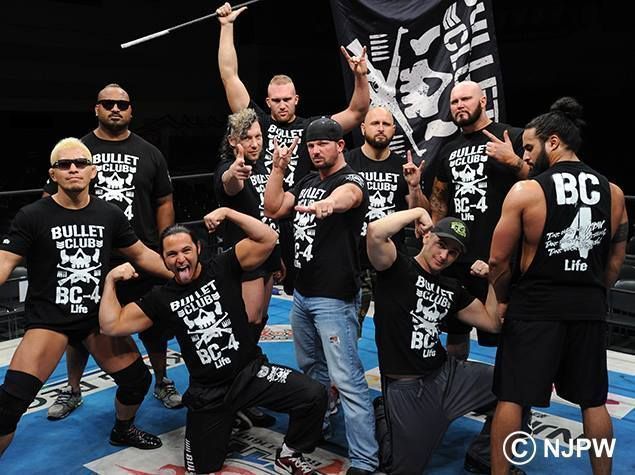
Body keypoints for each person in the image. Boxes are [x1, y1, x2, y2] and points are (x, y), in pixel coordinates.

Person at [98, 210, 328, 475]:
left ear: (198, 248)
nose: (180, 259)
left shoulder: (221, 267)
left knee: (312, 395)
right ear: (163, 259)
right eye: (171, 255)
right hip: (208, 393)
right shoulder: (161, 298)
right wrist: (110, 280)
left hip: (250, 374)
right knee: (202, 469)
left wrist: (228, 212)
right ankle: (230, 416)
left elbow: (267, 237)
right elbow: (111, 325)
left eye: (186, 250)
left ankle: (289, 454)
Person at [0, 137, 173, 456]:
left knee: (136, 382)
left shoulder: (109, 214)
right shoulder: (32, 215)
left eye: (80, 163)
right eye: (64, 165)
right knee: (9, 403)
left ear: (94, 171)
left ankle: (123, 430)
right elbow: (4, 263)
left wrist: (186, 274)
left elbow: (141, 255)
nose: (73, 169)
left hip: (96, 318)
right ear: (53, 175)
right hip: (49, 321)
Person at [488, 97, 628, 475]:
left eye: (529, 147)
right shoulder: (613, 192)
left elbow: (499, 260)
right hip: (588, 307)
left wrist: (500, 301)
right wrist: (594, 292)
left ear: (553, 142)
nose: (526, 157)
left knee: (512, 397)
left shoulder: (527, 191)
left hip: (535, 307)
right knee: (594, 401)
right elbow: (615, 260)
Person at [44, 83, 181, 420]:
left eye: (122, 104)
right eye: (108, 103)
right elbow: (51, 200)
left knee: (153, 322)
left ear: (131, 110)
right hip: (90, 258)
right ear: (97, 109)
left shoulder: (150, 152)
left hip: (140, 254)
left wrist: (163, 245)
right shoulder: (78, 151)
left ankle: (162, 379)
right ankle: (73, 388)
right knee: (79, 328)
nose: (115, 109)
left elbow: (163, 199)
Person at [216, 1, 370, 297]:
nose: (282, 104)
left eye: (287, 99)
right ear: (268, 100)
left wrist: (360, 76)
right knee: (254, 308)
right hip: (260, 218)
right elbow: (229, 75)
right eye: (276, 100)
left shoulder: (314, 129)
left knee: (302, 295)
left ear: (296, 99)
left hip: (298, 217)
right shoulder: (256, 121)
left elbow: (357, 111)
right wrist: (226, 27)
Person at [264, 117, 378, 475]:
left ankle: (364, 458)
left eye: (322, 144)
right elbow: (273, 208)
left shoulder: (351, 180)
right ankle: (320, 425)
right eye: (311, 145)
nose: (315, 151)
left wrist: (330, 205)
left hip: (334, 297)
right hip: (301, 294)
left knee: (346, 378)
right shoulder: (308, 180)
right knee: (311, 370)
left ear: (340, 146)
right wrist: (279, 169)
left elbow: (350, 197)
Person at [366, 208, 507, 474]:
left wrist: (492, 279)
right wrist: (419, 211)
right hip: (406, 387)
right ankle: (384, 415)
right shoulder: (397, 267)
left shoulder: (451, 287)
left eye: (453, 252)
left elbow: (492, 322)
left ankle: (483, 457)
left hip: (447, 375)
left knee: (513, 389)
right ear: (427, 237)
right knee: (401, 469)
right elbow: (375, 232)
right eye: (441, 245)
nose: (444, 256)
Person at [429, 80, 529, 360]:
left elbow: (542, 186)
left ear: (483, 101)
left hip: (500, 258)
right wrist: (435, 240)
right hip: (457, 257)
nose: (459, 105)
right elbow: (440, 200)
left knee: (504, 334)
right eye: (454, 102)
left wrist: (514, 162)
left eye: (466, 99)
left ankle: (507, 397)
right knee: (455, 331)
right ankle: (456, 390)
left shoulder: (512, 136)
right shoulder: (448, 149)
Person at [213, 107, 294, 428]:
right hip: (243, 260)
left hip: (267, 257)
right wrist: (235, 170)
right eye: (247, 137)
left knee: (256, 325)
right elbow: (229, 184)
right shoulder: (231, 167)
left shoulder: (265, 167)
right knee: (244, 327)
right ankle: (230, 397)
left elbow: (271, 215)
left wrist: (278, 259)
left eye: (259, 136)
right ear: (234, 141)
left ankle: (244, 393)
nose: (255, 142)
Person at [346, 106, 428, 334]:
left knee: (394, 326)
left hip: (391, 257)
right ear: (363, 128)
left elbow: (419, 215)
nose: (380, 129)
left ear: (393, 130)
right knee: (348, 328)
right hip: (354, 260)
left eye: (385, 124)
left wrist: (414, 187)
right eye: (375, 123)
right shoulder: (347, 162)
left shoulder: (404, 167)